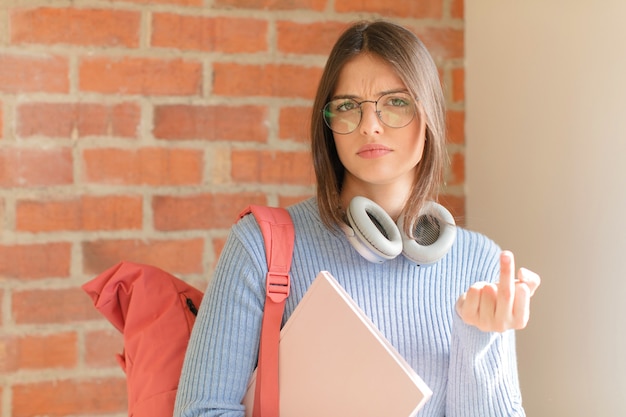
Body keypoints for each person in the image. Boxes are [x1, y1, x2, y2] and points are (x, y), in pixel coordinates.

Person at [174, 20, 541, 417]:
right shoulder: (260, 245)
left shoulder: (478, 263)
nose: (369, 125)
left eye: (396, 102)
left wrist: (480, 338)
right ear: (328, 125)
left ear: (429, 115)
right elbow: (201, 410)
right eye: (348, 106)